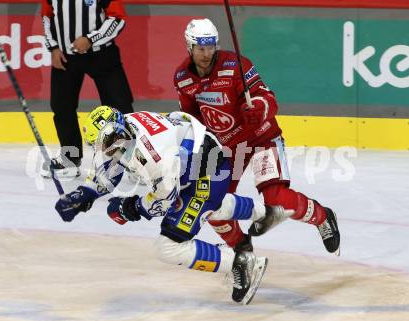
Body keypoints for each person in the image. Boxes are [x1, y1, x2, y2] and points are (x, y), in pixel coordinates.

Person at [54, 106, 293, 304]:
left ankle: (241, 262)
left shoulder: (153, 156)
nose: (106, 149)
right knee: (205, 206)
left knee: (168, 246)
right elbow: (108, 168)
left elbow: (163, 201)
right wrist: (83, 195)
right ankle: (265, 212)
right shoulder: (123, 128)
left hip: (208, 170)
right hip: (194, 160)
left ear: (119, 132)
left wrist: (129, 208)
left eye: (108, 142)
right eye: (101, 144)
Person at [173, 18, 340, 255]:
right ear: (189, 47)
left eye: (211, 47)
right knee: (212, 203)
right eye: (201, 48)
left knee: (276, 199)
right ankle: (242, 250)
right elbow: (191, 118)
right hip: (226, 147)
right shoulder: (183, 78)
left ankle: (323, 217)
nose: (207, 54)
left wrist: (258, 109)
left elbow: (268, 97)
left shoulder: (235, 65)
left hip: (261, 136)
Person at [40, 0, 134, 178]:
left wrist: (91, 39)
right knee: (61, 107)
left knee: (121, 106)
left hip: (102, 54)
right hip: (65, 56)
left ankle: (132, 160)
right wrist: (52, 47)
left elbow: (117, 18)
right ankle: (70, 158)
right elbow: (47, 17)